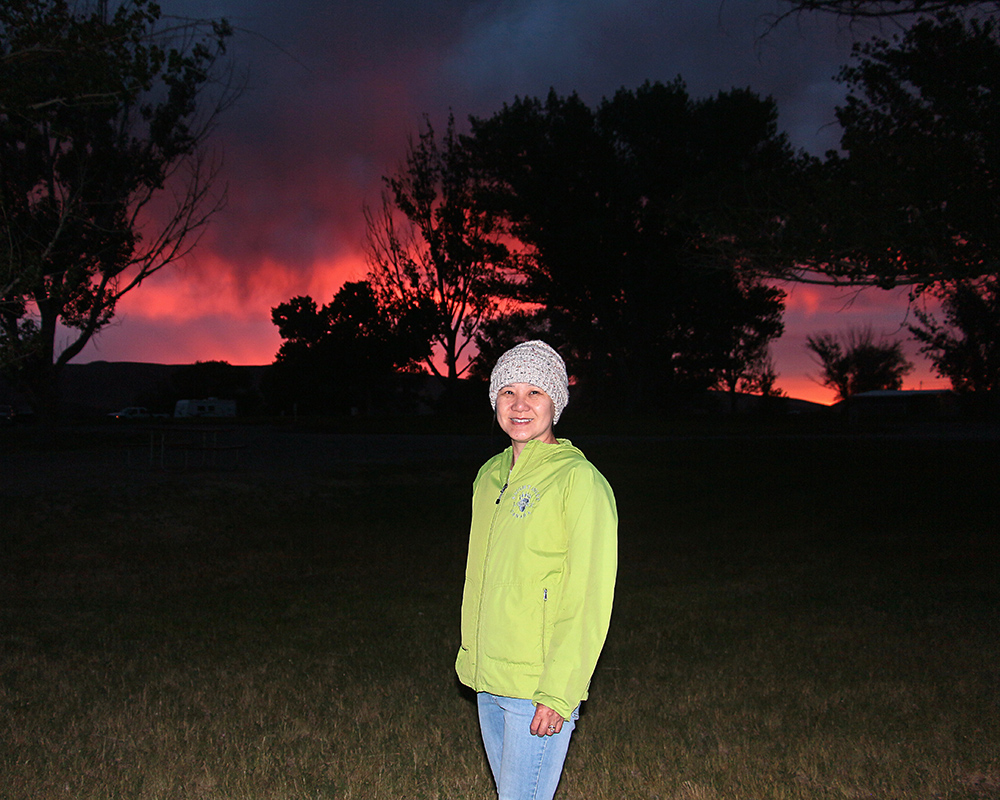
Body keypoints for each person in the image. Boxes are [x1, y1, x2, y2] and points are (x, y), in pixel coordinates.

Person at [456, 340, 618, 800]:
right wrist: (473, 658)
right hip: (489, 677)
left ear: (556, 403)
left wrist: (559, 691)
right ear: (494, 401)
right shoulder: (488, 475)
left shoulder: (578, 480)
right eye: (508, 392)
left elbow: (589, 595)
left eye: (535, 393)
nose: (520, 405)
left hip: (536, 685)